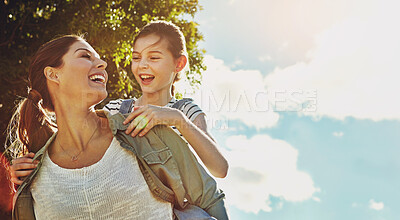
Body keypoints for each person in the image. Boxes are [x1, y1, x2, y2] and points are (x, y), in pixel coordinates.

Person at [8, 34, 228, 219]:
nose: (103, 64)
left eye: (154, 57)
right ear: (53, 74)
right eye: (85, 56)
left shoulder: (146, 131)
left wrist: (179, 118)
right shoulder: (33, 176)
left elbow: (211, 195)